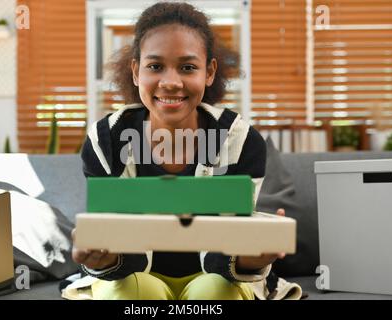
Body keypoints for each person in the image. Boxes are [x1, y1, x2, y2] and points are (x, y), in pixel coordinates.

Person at [72, 2, 287, 300]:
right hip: (133, 278)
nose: (171, 82)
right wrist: (103, 256)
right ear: (136, 71)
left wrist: (251, 257)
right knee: (133, 293)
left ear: (209, 72)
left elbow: (224, 256)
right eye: (155, 66)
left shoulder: (240, 141)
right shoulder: (105, 141)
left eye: (187, 67)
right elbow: (119, 255)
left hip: (217, 278)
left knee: (214, 293)